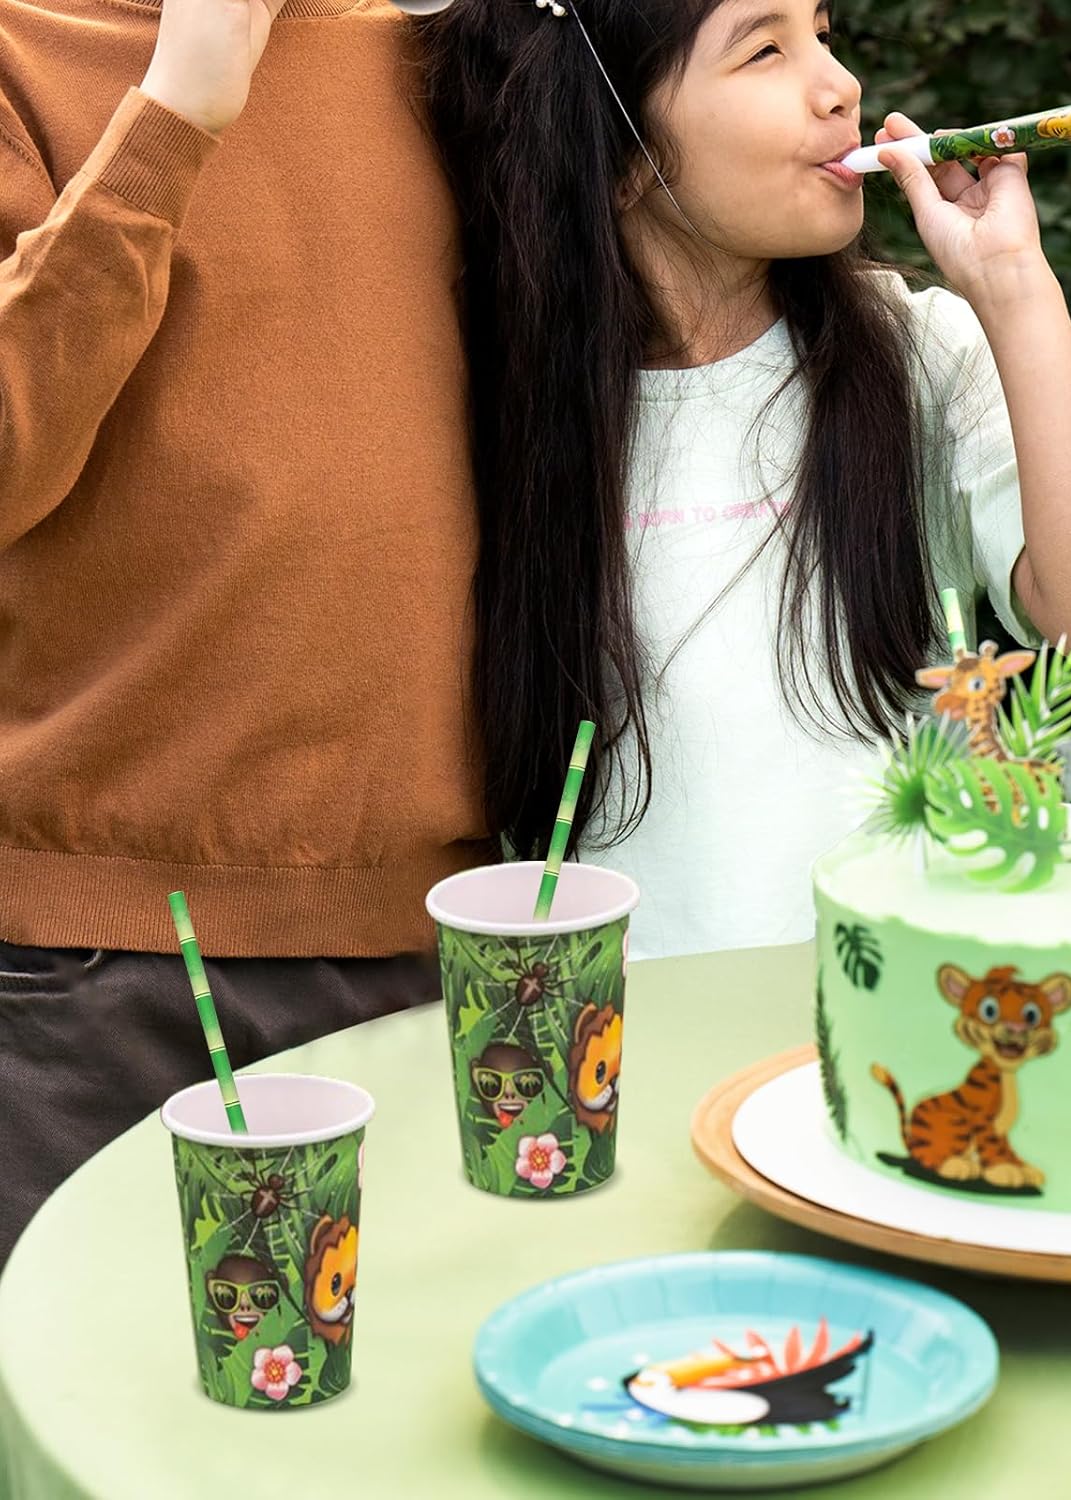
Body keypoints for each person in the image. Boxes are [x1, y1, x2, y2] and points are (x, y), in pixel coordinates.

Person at [416, 0, 1071, 961]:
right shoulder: (498, 413)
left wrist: (1014, 282)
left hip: (897, 1003)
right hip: (622, 1024)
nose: (840, 86)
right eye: (766, 50)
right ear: (622, 152)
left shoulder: (918, 355)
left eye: (824, 31)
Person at [0, 0, 486, 1266]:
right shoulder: (20, 53)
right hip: (99, 957)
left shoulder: (442, 51)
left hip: (433, 934)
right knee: (85, 1382)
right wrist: (176, 109)